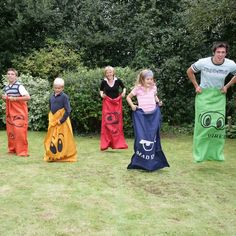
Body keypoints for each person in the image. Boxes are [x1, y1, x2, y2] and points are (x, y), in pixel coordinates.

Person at [187, 41, 236, 162]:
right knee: (202, 125)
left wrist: (227, 86)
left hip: (219, 96)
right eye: (218, 52)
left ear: (226, 53)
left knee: (217, 126)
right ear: (213, 52)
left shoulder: (230, 64)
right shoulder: (203, 62)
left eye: (223, 52)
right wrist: (196, 86)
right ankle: (200, 155)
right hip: (204, 95)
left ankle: (216, 155)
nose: (220, 54)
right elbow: (190, 71)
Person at [126, 69, 169, 171]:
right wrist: (132, 105)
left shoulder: (154, 88)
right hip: (142, 116)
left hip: (153, 116)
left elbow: (155, 97)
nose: (150, 81)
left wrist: (158, 102)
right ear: (142, 80)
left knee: (152, 138)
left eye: (151, 79)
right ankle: (140, 160)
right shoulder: (138, 89)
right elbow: (128, 97)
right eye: (148, 79)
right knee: (142, 138)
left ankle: (153, 160)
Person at [44, 77, 77, 162]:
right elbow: (50, 108)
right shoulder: (51, 97)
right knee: (52, 138)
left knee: (62, 138)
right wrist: (51, 119)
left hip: (62, 122)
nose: (57, 90)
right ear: (53, 87)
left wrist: (61, 120)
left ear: (62, 88)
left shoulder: (64, 97)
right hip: (53, 122)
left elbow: (68, 110)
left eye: (59, 88)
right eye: (55, 88)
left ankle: (63, 155)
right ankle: (53, 155)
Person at [2, 68, 30, 156]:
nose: (10, 75)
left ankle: (22, 151)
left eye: (12, 74)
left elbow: (28, 97)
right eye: (8, 74)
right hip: (10, 113)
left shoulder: (19, 86)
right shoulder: (6, 88)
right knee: (11, 131)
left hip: (19, 112)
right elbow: (8, 100)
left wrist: (14, 98)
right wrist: (4, 98)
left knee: (20, 131)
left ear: (16, 76)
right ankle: (12, 149)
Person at [99, 66, 128, 151]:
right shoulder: (103, 82)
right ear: (105, 73)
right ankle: (106, 144)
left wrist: (124, 93)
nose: (109, 74)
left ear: (113, 73)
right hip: (107, 105)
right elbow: (101, 90)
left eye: (110, 72)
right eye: (107, 72)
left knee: (116, 123)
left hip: (116, 105)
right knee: (107, 123)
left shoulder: (118, 81)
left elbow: (124, 87)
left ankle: (117, 143)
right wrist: (102, 95)